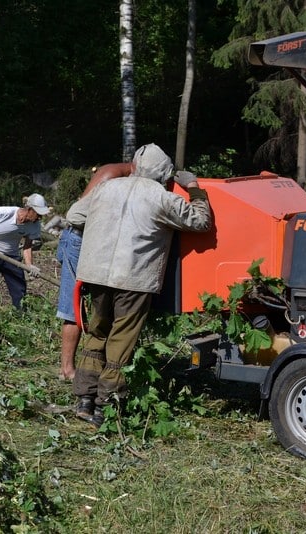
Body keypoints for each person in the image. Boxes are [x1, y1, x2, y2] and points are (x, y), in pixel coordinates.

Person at [72, 143, 212, 426]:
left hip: (96, 274)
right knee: (121, 340)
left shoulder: (106, 188)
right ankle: (105, 408)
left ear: (135, 165)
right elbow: (201, 221)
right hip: (133, 278)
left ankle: (84, 400)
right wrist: (195, 187)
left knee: (97, 334)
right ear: (165, 174)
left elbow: (74, 216)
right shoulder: (161, 197)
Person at [56, 163, 132, 381]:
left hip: (93, 240)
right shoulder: (110, 175)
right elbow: (79, 215)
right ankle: (67, 369)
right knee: (73, 305)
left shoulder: (124, 176)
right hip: (79, 239)